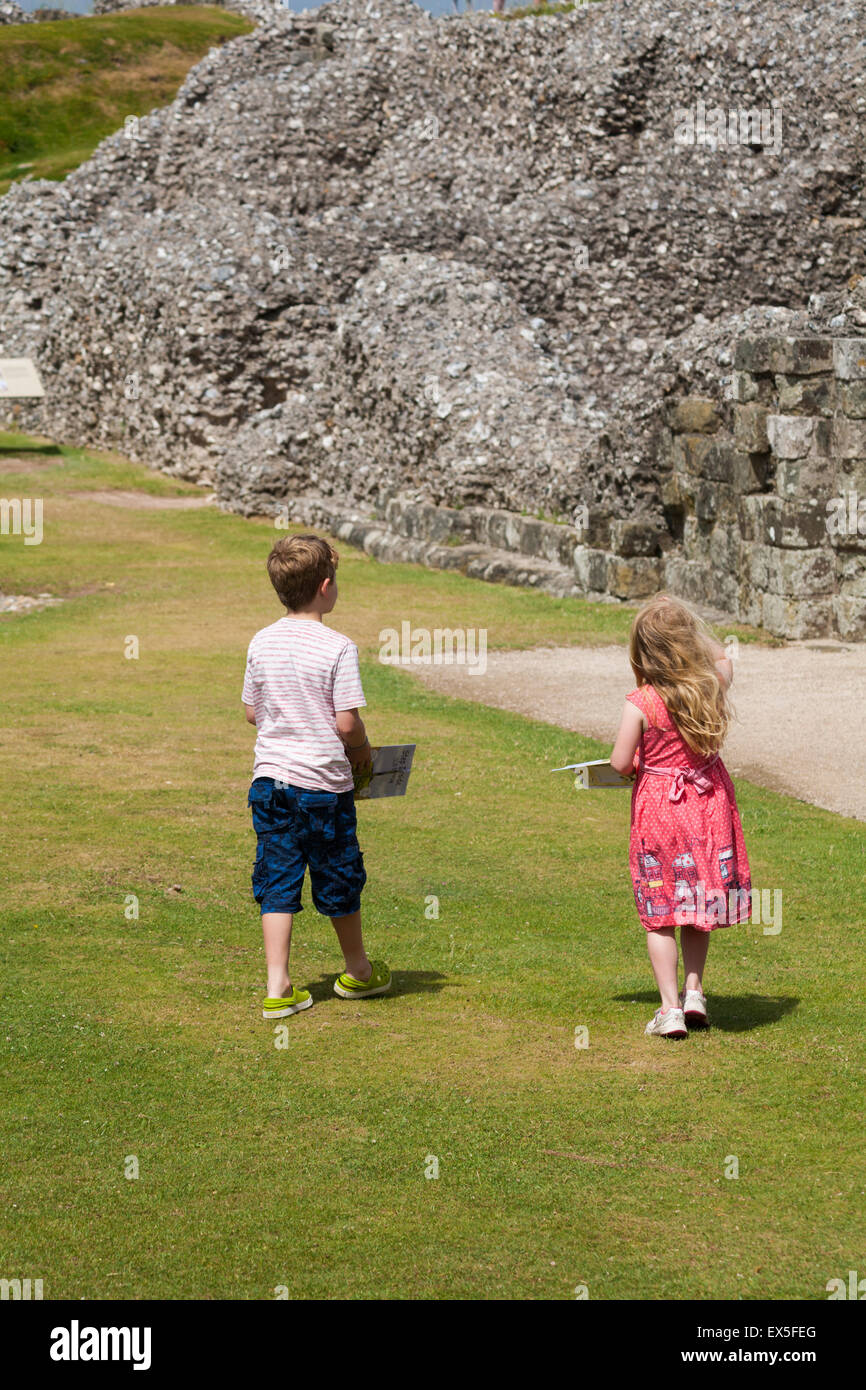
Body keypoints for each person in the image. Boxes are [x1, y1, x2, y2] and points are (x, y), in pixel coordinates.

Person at [242, 533, 391, 1020]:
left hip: (270, 784)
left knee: (278, 878)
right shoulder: (338, 647)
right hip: (323, 788)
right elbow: (346, 722)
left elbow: (251, 711)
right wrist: (364, 750)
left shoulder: (261, 641)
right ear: (326, 586)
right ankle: (358, 971)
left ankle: (277, 984)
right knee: (338, 873)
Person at [610, 594, 751, 1039]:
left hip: (661, 815)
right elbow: (724, 656)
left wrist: (638, 766)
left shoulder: (641, 701)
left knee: (660, 909)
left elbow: (618, 762)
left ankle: (669, 1009)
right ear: (688, 643)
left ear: (643, 650)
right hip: (707, 809)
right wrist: (690, 628)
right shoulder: (710, 685)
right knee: (696, 904)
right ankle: (695, 992)